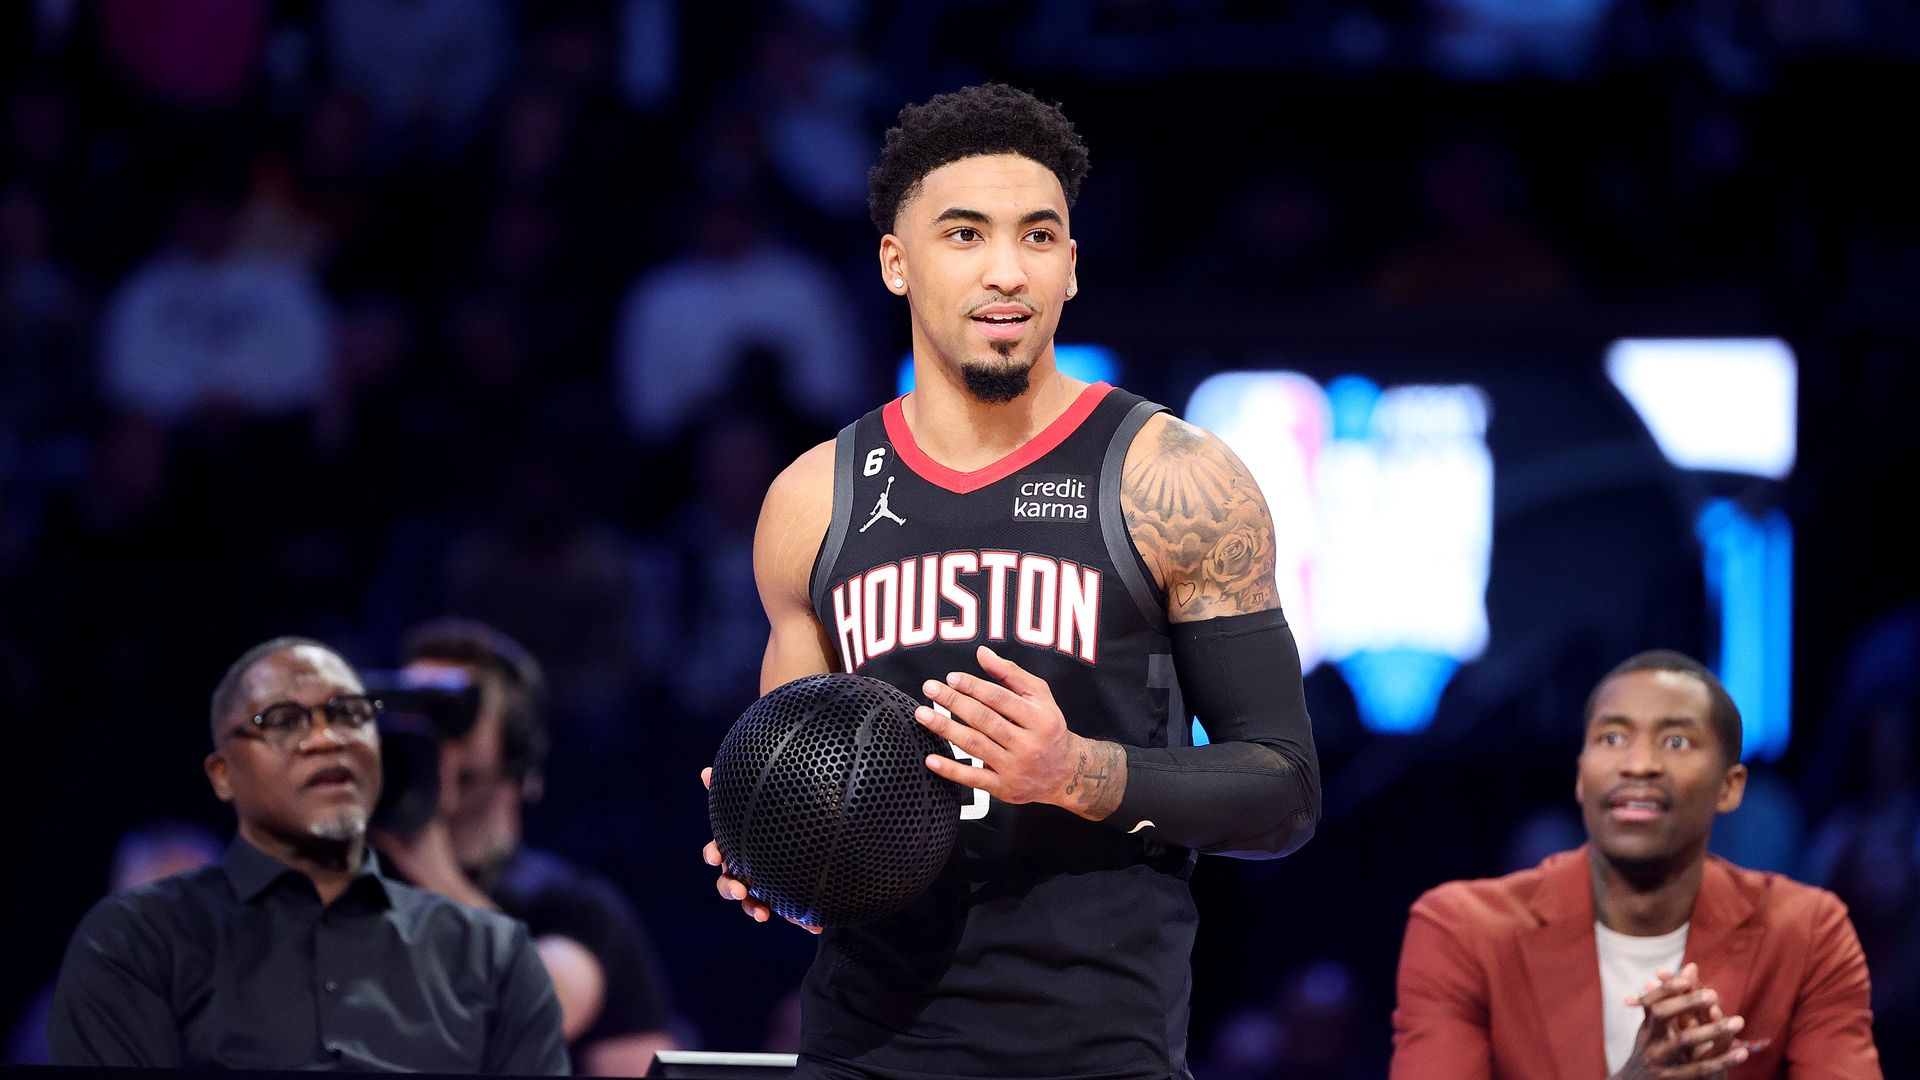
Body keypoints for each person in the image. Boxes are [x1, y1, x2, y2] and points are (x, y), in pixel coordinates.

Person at [702, 83, 1322, 1079]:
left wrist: (1075, 772)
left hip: (1091, 1047)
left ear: (1071, 267)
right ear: (896, 263)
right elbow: (806, 768)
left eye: (1038, 237)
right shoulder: (811, 499)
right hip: (864, 1044)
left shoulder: (1176, 477)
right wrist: (766, 843)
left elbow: (1284, 791)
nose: (1005, 270)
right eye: (964, 235)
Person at [47, 636, 569, 1073]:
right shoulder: (138, 941)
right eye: (282, 720)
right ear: (223, 775)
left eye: (349, 713)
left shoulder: (494, 954)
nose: (325, 738)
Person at [1390, 649, 1882, 1078]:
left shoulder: (1807, 930)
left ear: (1729, 787)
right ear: (1581, 778)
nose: (1638, 764)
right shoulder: (1461, 930)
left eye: (1675, 741)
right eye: (1612, 738)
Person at [374, 617, 681, 1076]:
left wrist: (427, 859)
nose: (423, 736)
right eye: (405, 713)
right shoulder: (342, 881)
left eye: (447, 715)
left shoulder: (574, 907)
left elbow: (546, 1006)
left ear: (516, 747)